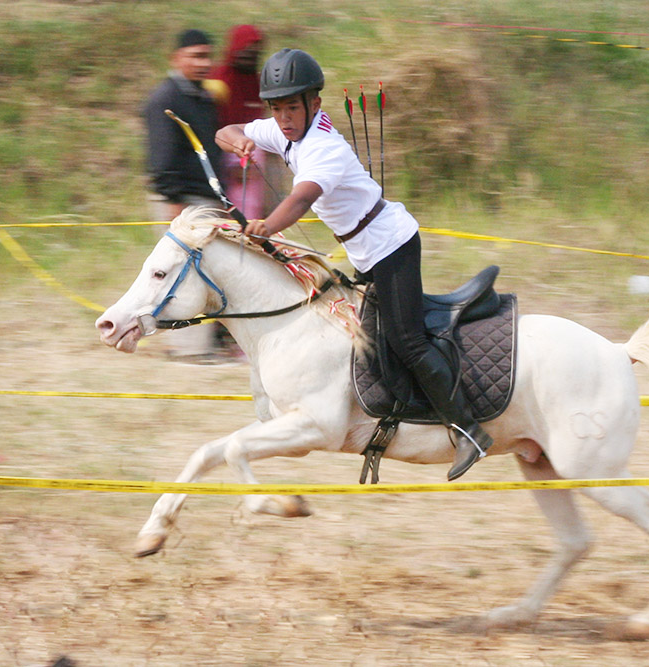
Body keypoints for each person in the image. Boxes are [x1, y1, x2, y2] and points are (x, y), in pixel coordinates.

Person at [214, 48, 492, 480]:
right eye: (277, 108)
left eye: (292, 107)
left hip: (391, 244)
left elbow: (301, 198)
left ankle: (469, 431)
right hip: (367, 250)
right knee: (372, 341)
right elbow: (226, 131)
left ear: (314, 105)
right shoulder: (283, 131)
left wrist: (266, 227)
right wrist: (241, 141)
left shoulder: (323, 148)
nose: (284, 117)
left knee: (408, 341)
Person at [143, 28, 239, 364]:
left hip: (206, 200)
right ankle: (188, 350)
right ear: (176, 58)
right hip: (181, 201)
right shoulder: (164, 99)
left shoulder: (204, 96)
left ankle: (206, 344)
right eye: (196, 56)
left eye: (207, 56)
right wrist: (174, 204)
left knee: (208, 273)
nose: (204, 63)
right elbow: (161, 156)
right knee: (181, 273)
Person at [205, 25, 271, 220]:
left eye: (255, 52)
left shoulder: (258, 83)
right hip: (225, 155)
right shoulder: (218, 80)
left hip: (254, 159)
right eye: (245, 50)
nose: (250, 57)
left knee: (254, 215)